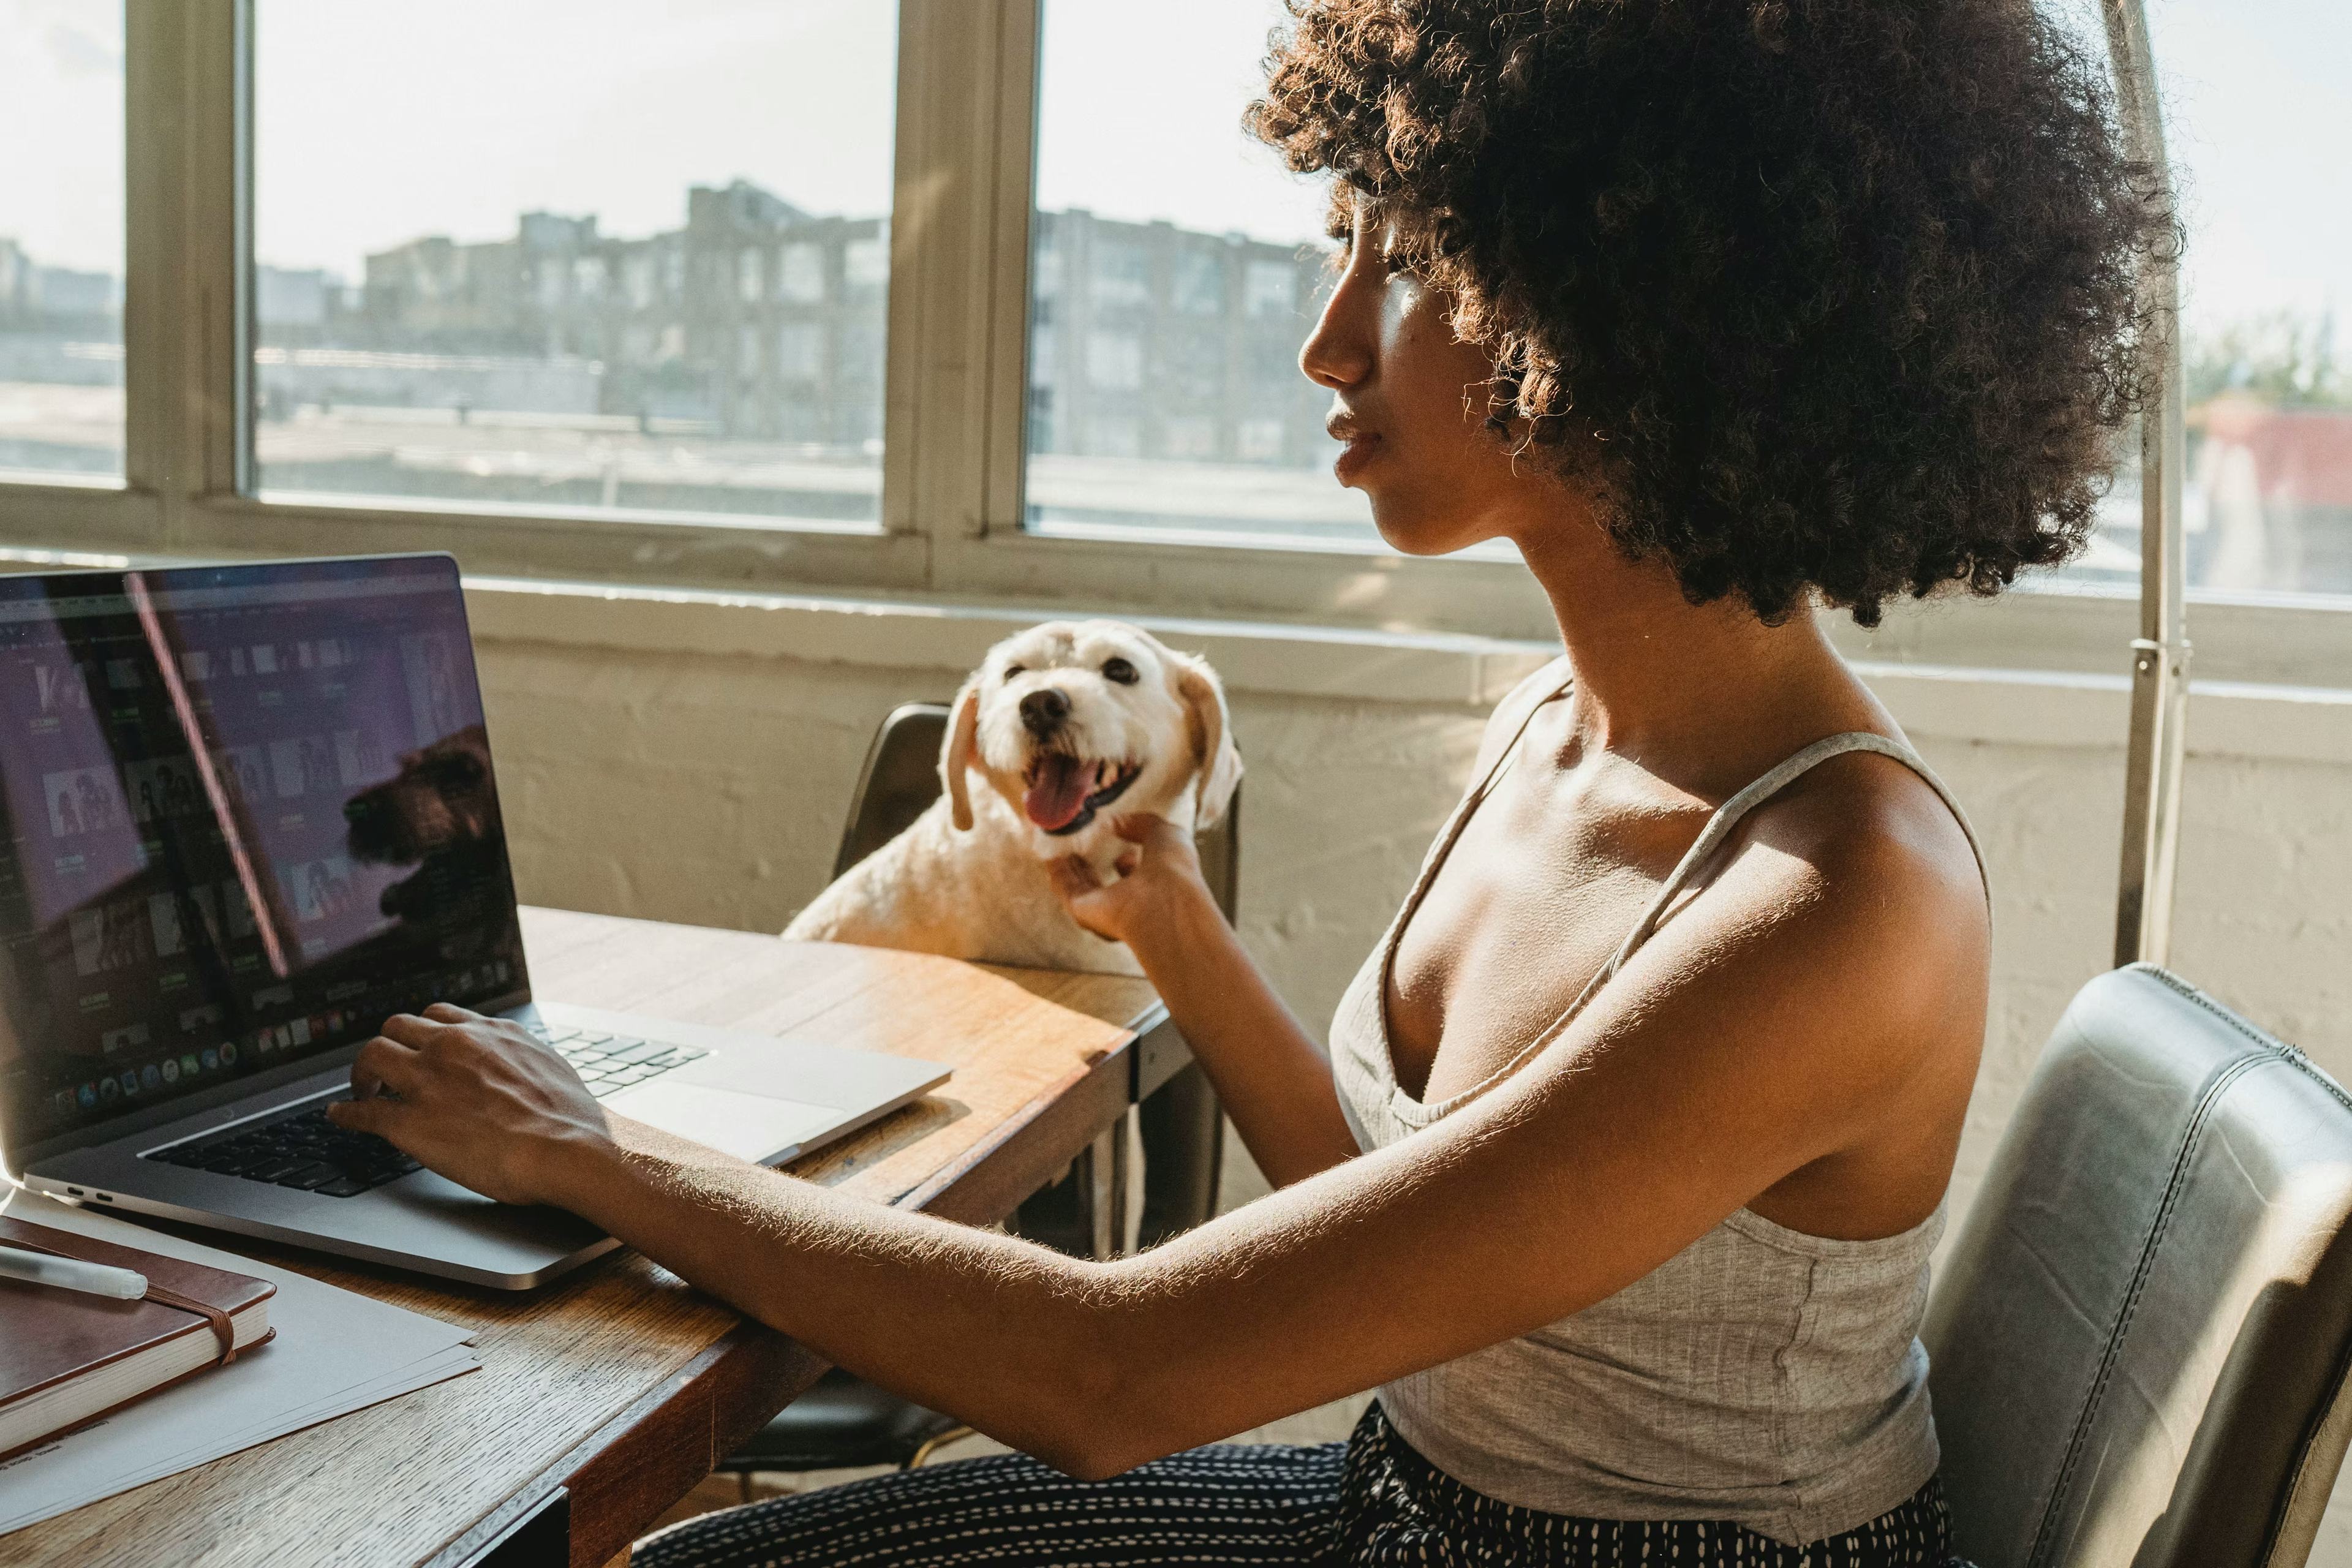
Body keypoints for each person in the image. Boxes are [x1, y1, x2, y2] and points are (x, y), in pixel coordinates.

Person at [327, 2, 2167, 1562]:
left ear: (1647, 311)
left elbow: (1125, 1375)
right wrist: (1176, 923)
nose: (1329, 336)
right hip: (1407, 1496)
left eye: (1414, 259)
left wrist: (588, 1147)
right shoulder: (1556, 726)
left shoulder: (1839, 908)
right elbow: (1387, 1216)